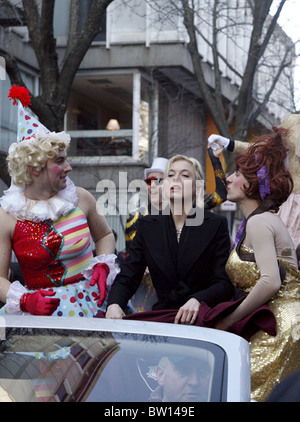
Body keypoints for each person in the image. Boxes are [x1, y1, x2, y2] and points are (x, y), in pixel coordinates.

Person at [0, 85, 117, 317]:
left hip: (91, 306)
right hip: (39, 316)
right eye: (60, 161)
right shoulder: (7, 216)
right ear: (35, 168)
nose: (68, 167)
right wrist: (25, 299)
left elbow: (105, 235)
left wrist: (103, 264)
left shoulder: (81, 198)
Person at [212, 128, 300, 401]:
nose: (228, 178)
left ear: (251, 184)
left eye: (237, 174)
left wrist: (230, 319)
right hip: (282, 321)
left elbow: (271, 281)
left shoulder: (261, 222)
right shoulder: (260, 221)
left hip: (283, 326)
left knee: (243, 392)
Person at [105, 154, 234, 323]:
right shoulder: (147, 225)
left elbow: (224, 283)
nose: (176, 179)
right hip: (162, 318)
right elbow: (128, 276)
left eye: (185, 175)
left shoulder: (216, 224)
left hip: (203, 319)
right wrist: (114, 304)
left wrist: (198, 300)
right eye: (171, 175)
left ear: (198, 189)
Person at [208, 114, 300, 252]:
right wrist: (229, 144)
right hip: (288, 200)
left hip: (291, 201)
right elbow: (266, 149)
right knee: (277, 250)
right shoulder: (294, 121)